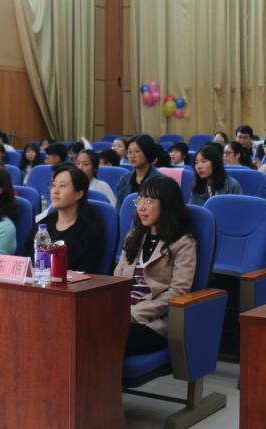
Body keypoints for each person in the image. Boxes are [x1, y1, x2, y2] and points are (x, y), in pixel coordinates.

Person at [113, 177, 197, 355]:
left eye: (149, 201)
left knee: (105, 336)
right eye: (139, 200)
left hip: (152, 322)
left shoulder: (183, 243)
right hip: (120, 312)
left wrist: (134, 314)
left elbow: (178, 292)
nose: (141, 207)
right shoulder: (133, 236)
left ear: (166, 205)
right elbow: (117, 279)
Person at [39, 165, 103, 273]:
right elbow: (28, 261)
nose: (55, 191)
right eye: (53, 185)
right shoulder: (43, 225)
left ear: (79, 194)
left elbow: (86, 273)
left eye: (62, 186)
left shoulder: (89, 230)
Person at [115, 135, 165, 206]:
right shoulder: (124, 179)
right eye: (129, 152)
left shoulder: (161, 182)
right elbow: (119, 209)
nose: (132, 156)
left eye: (137, 151)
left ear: (148, 152)